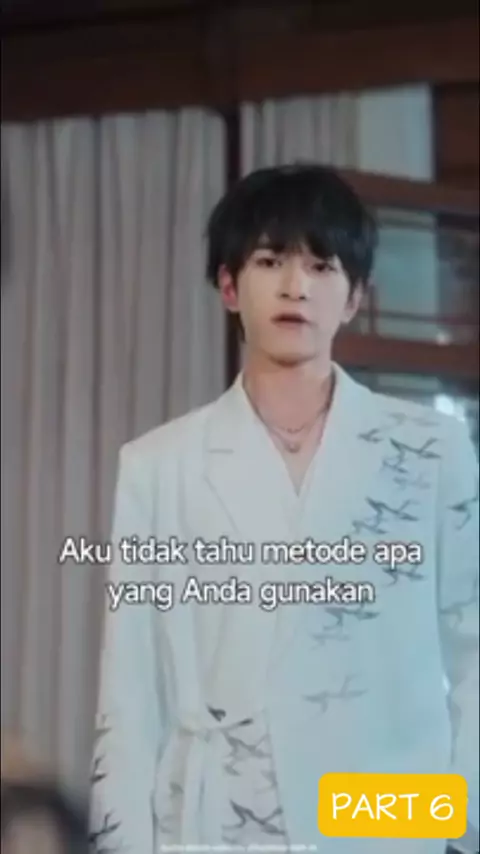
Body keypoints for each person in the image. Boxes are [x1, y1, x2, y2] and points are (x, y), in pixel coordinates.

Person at [89, 164, 479, 854]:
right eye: (270, 261)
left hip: (383, 813)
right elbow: (130, 687)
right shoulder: (158, 465)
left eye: (322, 266)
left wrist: (459, 821)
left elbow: (472, 646)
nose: (296, 286)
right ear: (229, 285)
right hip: (219, 820)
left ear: (354, 297)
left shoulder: (428, 449)